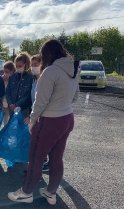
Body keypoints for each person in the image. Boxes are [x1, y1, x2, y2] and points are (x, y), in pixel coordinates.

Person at [8, 39, 80, 205]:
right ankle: (51, 192)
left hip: (50, 121)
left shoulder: (50, 71)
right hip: (68, 118)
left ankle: (26, 192)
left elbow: (40, 102)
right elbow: (75, 97)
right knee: (56, 158)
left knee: (35, 157)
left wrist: (33, 122)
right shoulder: (74, 68)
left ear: (47, 54)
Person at [5, 53, 33, 119]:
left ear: (25, 64)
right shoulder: (12, 77)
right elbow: (8, 91)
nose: (18, 68)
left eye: (20, 66)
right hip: (12, 109)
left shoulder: (31, 77)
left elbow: (29, 95)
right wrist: (10, 103)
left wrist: (17, 105)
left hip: (24, 109)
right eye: (16, 66)